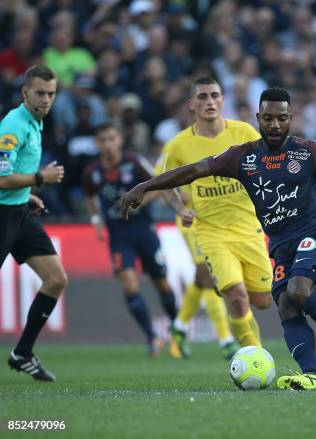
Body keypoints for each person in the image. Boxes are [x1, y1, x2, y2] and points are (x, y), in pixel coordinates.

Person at [121, 87, 316, 390]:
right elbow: (193, 171)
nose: (275, 124)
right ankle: (313, 375)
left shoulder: (308, 151)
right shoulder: (242, 158)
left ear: (291, 119)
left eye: (282, 118)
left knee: (299, 290)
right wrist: (144, 187)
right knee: (285, 303)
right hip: (282, 247)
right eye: (268, 118)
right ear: (258, 118)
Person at [157, 76, 273, 359]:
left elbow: (268, 166)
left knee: (262, 300)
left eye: (214, 95)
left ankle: (230, 282)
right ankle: (254, 355)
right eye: (203, 97)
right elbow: (163, 181)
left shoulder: (244, 133)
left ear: (222, 100)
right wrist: (180, 209)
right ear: (191, 104)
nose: (209, 101)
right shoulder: (178, 145)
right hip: (209, 231)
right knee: (236, 296)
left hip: (249, 229)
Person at [82, 122, 182, 356]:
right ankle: (152, 337)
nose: (108, 144)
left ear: (119, 140)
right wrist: (96, 219)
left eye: (111, 138)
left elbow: (158, 187)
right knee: (128, 285)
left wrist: (138, 202)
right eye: (103, 140)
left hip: (143, 231)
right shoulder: (92, 172)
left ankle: (178, 331)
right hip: (118, 236)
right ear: (97, 143)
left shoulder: (134, 162)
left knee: (162, 284)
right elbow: (88, 196)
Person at [1, 66, 66, 381]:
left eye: (51, 93)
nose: (46, 99)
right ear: (24, 92)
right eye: (40, 93)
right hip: (2, 215)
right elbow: (0, 179)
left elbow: (13, 176)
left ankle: (22, 353)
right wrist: (41, 178)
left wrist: (27, 194)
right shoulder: (13, 125)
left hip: (19, 214)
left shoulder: (35, 122)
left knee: (56, 279)